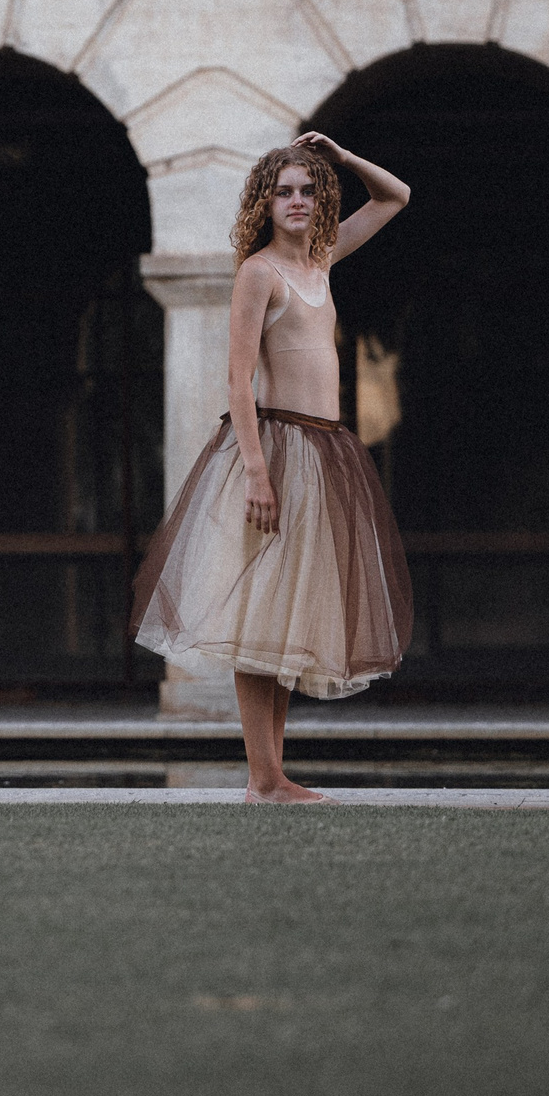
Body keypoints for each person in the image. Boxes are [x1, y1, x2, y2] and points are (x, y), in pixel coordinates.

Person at [131, 132, 414, 803]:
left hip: (324, 449)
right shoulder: (259, 272)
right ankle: (264, 777)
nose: (296, 200)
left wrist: (342, 156)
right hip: (276, 449)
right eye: (283, 190)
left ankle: (273, 775)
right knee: (262, 616)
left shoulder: (322, 257)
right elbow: (237, 382)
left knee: (287, 616)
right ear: (265, 201)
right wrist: (257, 472)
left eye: (307, 190)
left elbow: (397, 195)